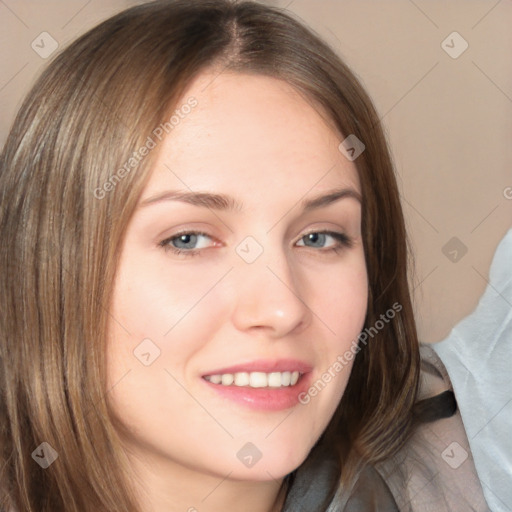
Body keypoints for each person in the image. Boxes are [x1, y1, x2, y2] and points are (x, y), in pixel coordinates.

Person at [0, 1, 490, 510]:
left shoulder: (470, 462)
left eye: (319, 237)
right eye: (188, 239)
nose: (281, 309)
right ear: (49, 270)